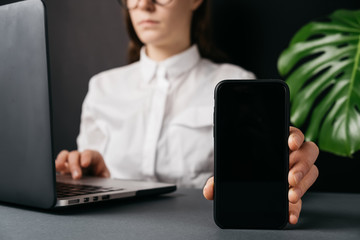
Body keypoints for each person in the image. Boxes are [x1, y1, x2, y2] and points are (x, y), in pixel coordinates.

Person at [55, 0, 319, 225]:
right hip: (109, 228)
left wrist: (283, 168)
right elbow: (86, 175)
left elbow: (258, 178)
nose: (144, 5)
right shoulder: (102, 87)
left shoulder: (236, 83)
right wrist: (88, 175)